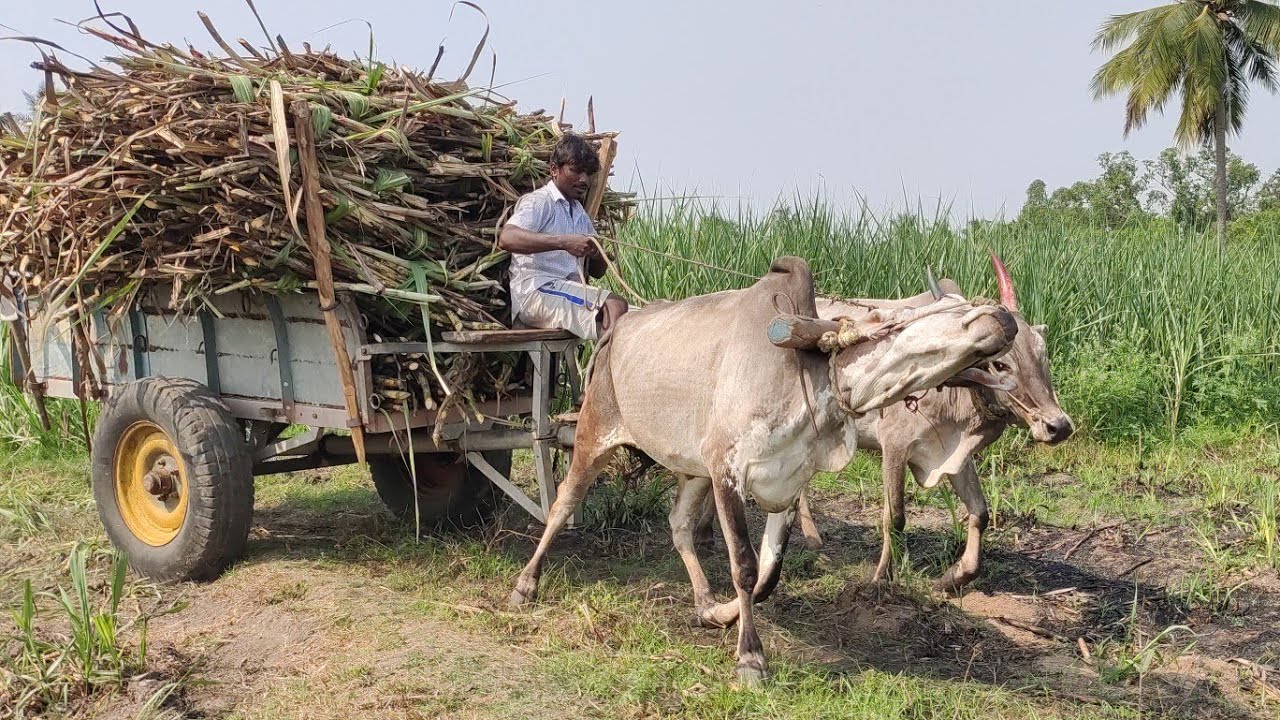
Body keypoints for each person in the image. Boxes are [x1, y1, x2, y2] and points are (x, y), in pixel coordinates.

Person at [499, 133, 629, 341]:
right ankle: (608, 370)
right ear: (554, 170)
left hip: (567, 292)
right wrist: (564, 242)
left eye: (588, 173)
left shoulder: (579, 214)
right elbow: (507, 238)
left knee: (636, 318)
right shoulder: (540, 202)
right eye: (575, 171)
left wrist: (596, 253)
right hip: (536, 292)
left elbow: (598, 272)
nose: (584, 179)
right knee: (615, 306)